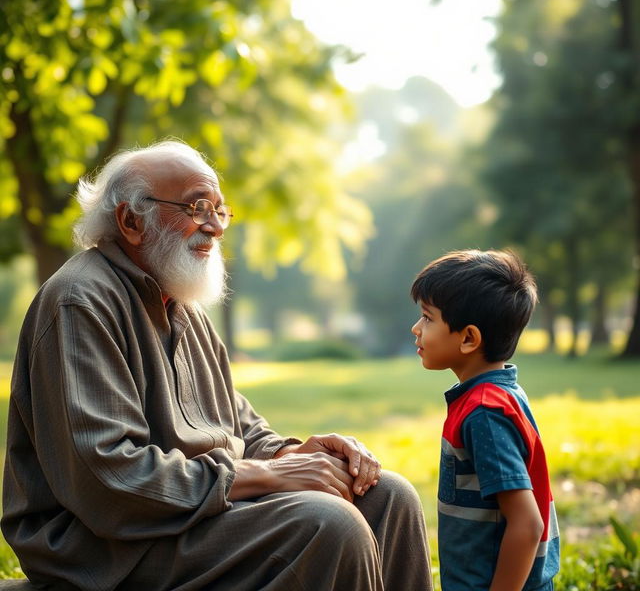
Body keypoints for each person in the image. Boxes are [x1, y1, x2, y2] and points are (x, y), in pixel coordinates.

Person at [2, 140, 432, 591]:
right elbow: (111, 479)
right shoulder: (80, 300)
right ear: (131, 221)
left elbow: (237, 427)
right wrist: (268, 475)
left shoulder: (182, 307)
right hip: (105, 548)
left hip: (189, 515)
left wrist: (295, 455)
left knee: (388, 497)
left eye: (220, 210)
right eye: (197, 207)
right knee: (329, 523)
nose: (215, 226)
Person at [410, 250, 559, 591]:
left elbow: (526, 523)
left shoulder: (485, 412)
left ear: (468, 338)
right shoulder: (498, 394)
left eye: (428, 318)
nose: (416, 328)